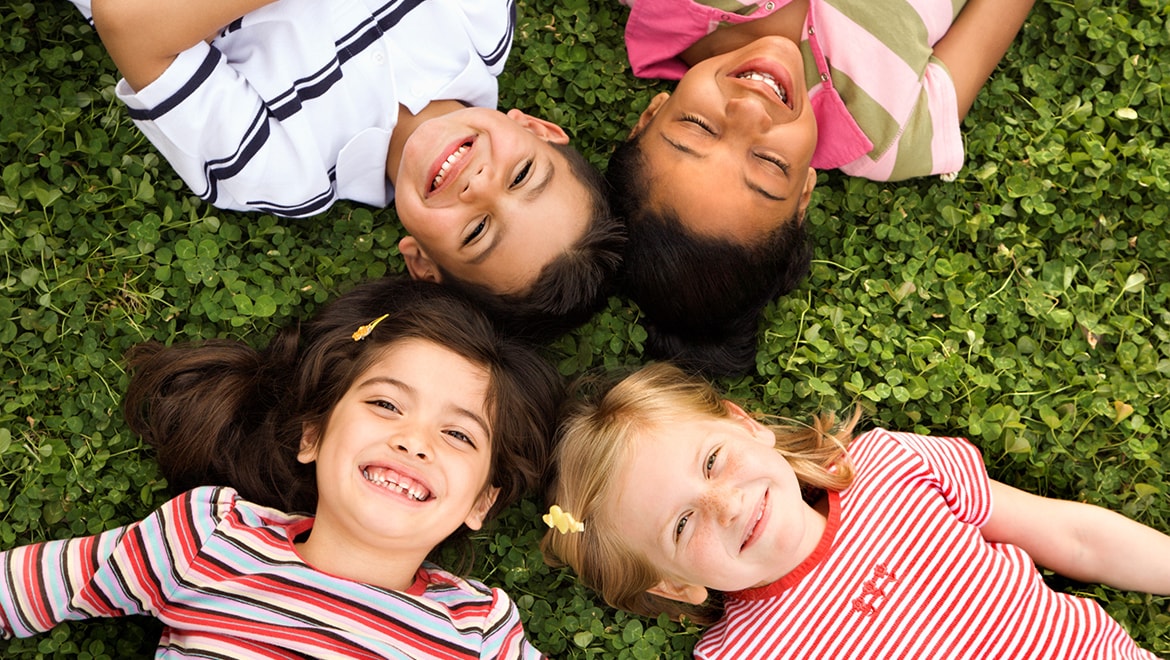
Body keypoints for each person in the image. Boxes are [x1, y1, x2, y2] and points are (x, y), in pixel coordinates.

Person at [0, 278, 564, 658]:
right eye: (386, 404)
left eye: (459, 434)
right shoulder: (208, 539)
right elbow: (22, 589)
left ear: (481, 503)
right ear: (313, 435)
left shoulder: (482, 632)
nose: (414, 442)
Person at [67, 0, 624, 340]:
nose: (480, 187)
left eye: (478, 231)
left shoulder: (282, 167)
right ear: (538, 128)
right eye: (523, 175)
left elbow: (128, 18)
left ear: (422, 262)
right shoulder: (480, 21)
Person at [541, 363, 1170, 658]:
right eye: (681, 524)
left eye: (711, 461)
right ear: (676, 583)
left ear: (745, 424)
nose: (726, 503)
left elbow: (1072, 535)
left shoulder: (890, 465)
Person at [609, 0, 1035, 374]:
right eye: (770, 164)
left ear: (649, 118)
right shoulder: (889, 136)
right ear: (803, 196)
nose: (749, 111)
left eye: (699, 127)